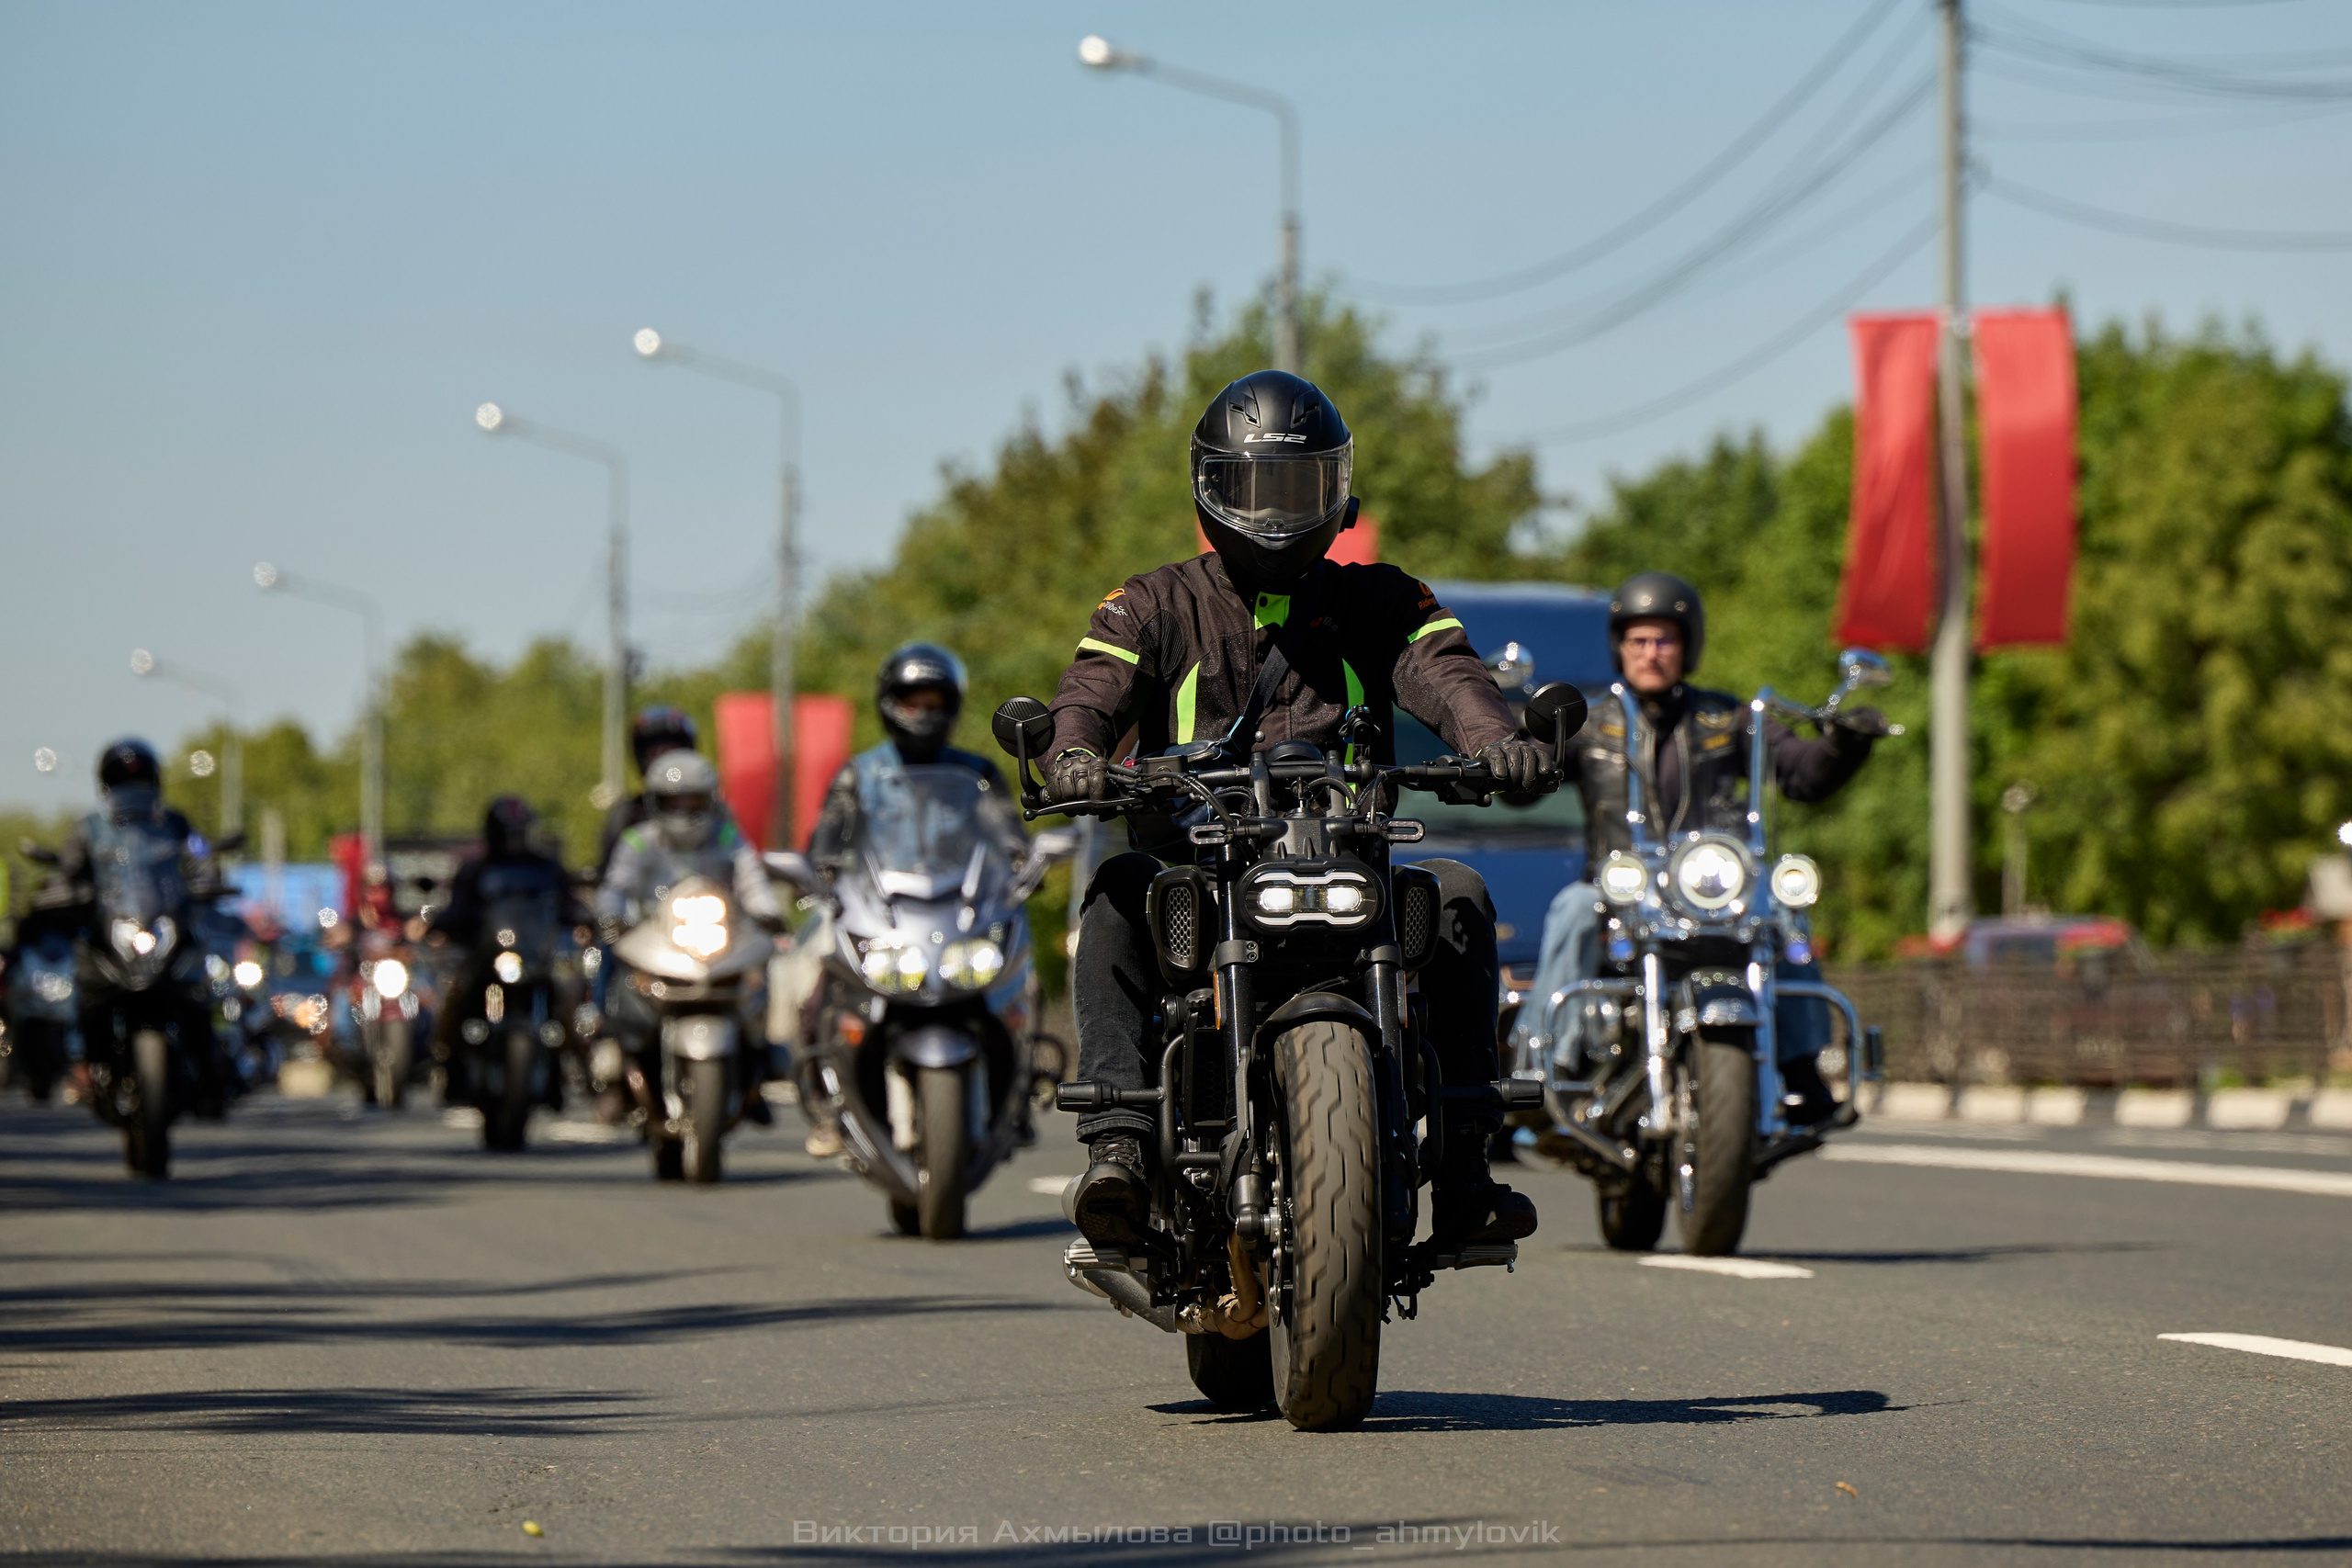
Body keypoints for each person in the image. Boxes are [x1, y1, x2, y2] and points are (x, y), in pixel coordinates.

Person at [1041, 369, 1554, 1257]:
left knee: (1460, 892)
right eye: (1254, 487)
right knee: (1118, 893)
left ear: (1337, 493)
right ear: (1211, 487)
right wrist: (1075, 756)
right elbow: (1089, 692)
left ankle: (1466, 1168)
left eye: (1298, 487)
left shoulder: (1383, 600)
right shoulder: (1152, 603)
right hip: (1201, 863)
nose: (1276, 514)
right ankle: (1118, 1142)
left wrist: (1495, 736)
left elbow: (1449, 673)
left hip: (1349, 849)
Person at [1516, 571, 1887, 1124]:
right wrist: (1527, 749)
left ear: (1687, 646)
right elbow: (1525, 789)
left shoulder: (1727, 718)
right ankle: (1545, 1067)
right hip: (1622, 889)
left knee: (1784, 913)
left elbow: (1801, 776)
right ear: (1620, 647)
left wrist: (1844, 746)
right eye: (1639, 640)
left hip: (1708, 890)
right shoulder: (1590, 723)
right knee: (1571, 908)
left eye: (1664, 639)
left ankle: (1802, 1065)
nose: (1651, 652)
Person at [791, 643, 1011, 1156]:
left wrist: (1025, 864)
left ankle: (1016, 1098)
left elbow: (1008, 839)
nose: (924, 713)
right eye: (912, 701)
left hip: (957, 914)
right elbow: (825, 841)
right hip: (883, 916)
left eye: (934, 702)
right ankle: (827, 1107)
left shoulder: (978, 774)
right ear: (889, 703)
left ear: (952, 706)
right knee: (820, 992)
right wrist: (818, 872)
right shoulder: (858, 775)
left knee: (1011, 989)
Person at [597, 750, 785, 1123]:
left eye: (693, 800)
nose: (683, 811)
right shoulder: (639, 840)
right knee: (622, 983)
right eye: (673, 801)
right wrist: (611, 917)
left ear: (711, 800)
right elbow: (615, 887)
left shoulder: (727, 835)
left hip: (718, 938)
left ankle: (756, 1065)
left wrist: (768, 913)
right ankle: (620, 1066)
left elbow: (751, 879)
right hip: (658, 939)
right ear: (655, 803)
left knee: (758, 975)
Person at [53, 739, 227, 1110]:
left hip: (164, 922)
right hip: (113, 928)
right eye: (121, 782)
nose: (132, 791)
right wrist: (61, 892)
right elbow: (68, 873)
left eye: (140, 781)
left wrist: (209, 878)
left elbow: (200, 856)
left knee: (202, 984)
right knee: (82, 983)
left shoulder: (175, 824)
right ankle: (83, 1063)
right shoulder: (88, 828)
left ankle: (210, 1069)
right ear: (106, 786)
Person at [427, 795, 589, 1079]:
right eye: (508, 834)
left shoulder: (546, 869)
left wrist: (585, 917)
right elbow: (458, 908)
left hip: (535, 955)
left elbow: (568, 903)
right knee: (455, 988)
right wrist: (443, 924)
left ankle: (575, 1061)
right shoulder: (477, 870)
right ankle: (447, 1056)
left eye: (519, 833)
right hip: (486, 956)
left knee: (568, 991)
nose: (514, 840)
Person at [595, 706, 702, 879]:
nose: (665, 761)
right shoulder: (629, 814)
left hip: (706, 897)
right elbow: (610, 879)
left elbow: (739, 857)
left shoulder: (713, 809)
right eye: (656, 753)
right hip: (649, 900)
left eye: (672, 751)